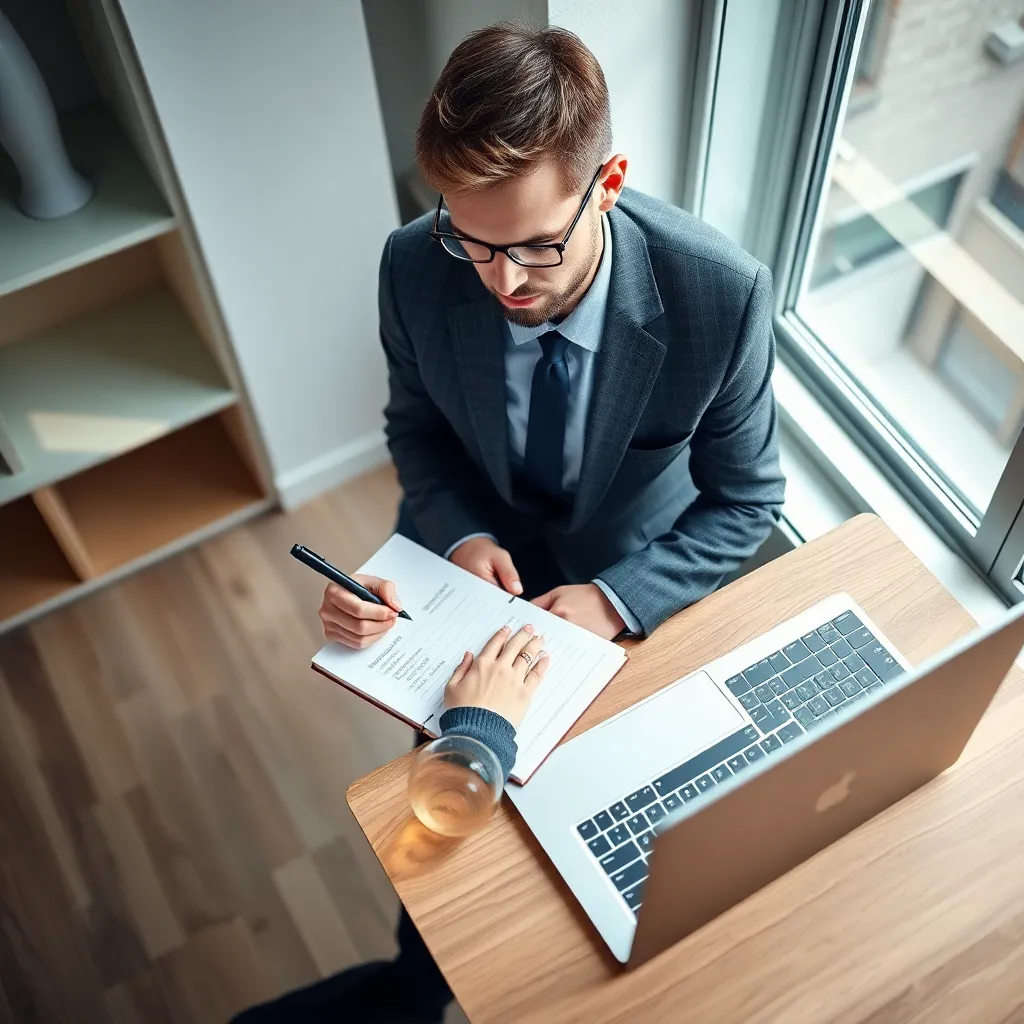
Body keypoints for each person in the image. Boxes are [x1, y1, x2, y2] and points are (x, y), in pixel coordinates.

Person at [236, 19, 785, 1022]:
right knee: (451, 825)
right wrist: (457, 538)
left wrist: (614, 599)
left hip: (630, 582)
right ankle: (416, 987)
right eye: (473, 243)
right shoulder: (415, 264)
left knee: (605, 838)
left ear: (608, 183)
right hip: (467, 571)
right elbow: (416, 431)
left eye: (536, 245)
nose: (504, 283)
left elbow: (748, 499)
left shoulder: (721, 296)